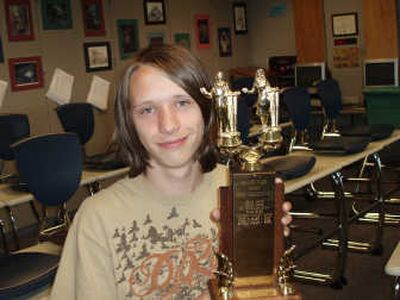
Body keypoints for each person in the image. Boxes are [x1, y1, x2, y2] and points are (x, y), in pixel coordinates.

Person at [51, 44, 292, 299]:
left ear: (206, 110)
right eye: (147, 109)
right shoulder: (97, 219)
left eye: (182, 103)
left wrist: (264, 249)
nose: (168, 125)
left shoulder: (242, 189)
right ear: (129, 123)